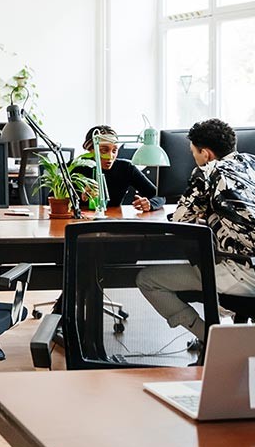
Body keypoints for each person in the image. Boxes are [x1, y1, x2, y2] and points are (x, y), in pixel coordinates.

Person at [137, 118, 255, 343]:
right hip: (250, 264)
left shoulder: (208, 171)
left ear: (206, 154)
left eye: (194, 153)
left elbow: (181, 220)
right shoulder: (252, 163)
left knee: (147, 279)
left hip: (241, 271)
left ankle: (214, 341)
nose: (194, 158)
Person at [74, 124, 165, 212]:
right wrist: (81, 197)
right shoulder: (76, 168)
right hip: (82, 222)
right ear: (90, 150)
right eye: (104, 150)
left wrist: (150, 204)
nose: (110, 156)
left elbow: (159, 196)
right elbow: (61, 202)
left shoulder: (126, 168)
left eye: (114, 150)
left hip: (114, 220)